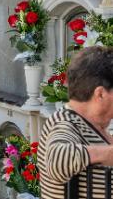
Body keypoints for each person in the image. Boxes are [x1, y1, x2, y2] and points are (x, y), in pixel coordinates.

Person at [38, 46, 113, 199]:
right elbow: (56, 159)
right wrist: (107, 153)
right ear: (100, 94)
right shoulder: (65, 122)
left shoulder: (88, 123)